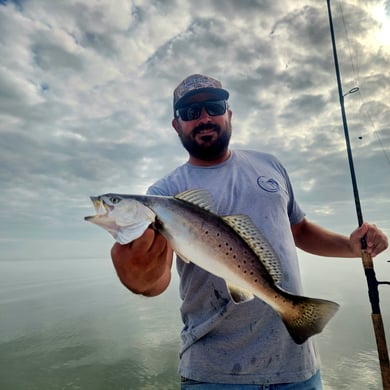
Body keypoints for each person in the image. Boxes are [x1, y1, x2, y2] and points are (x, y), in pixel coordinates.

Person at [111, 74, 388, 389]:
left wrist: (352, 247)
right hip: (214, 374)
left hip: (299, 368)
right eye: (190, 112)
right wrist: (138, 278)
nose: (203, 118)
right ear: (177, 125)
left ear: (228, 113)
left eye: (213, 106)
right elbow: (156, 279)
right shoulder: (164, 192)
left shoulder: (270, 166)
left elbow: (300, 230)